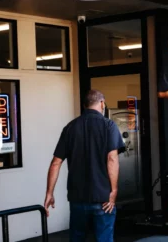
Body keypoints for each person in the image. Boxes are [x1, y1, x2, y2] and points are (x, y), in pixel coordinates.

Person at [44, 90, 124, 242]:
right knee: (104, 239)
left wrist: (49, 193)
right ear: (102, 103)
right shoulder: (109, 126)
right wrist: (113, 191)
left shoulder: (70, 128)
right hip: (103, 198)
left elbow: (56, 162)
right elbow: (112, 158)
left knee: (77, 238)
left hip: (77, 198)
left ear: (84, 105)